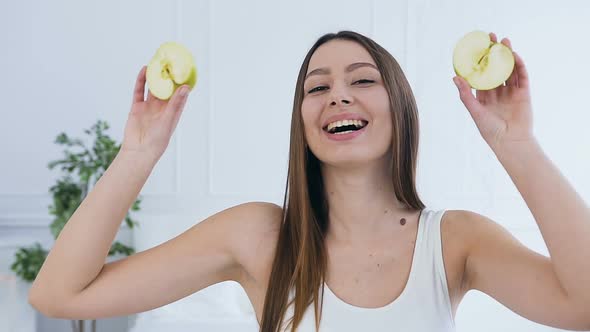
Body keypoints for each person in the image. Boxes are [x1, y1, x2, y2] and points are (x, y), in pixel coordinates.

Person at [28, 30, 590, 332]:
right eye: (317, 87)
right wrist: (139, 152)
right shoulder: (257, 236)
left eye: (362, 80)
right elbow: (58, 296)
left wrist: (518, 146)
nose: (338, 95)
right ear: (303, 123)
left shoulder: (457, 241)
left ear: (400, 109)